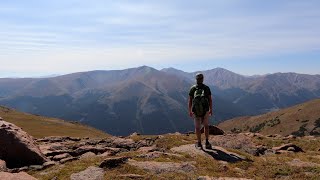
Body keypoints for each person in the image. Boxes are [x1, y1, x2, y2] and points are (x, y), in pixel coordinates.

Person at [188, 73, 213, 149]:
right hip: (205, 110)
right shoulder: (206, 88)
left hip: (196, 111)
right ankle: (207, 142)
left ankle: (199, 143)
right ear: (203, 79)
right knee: (206, 126)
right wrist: (210, 109)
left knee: (197, 128)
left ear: (196, 79)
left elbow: (190, 101)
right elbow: (210, 100)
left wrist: (190, 110)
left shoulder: (193, 88)